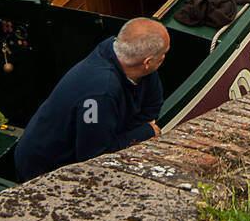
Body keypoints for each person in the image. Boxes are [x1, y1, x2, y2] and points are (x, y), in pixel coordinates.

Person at [13, 17, 169, 181]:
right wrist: (145, 131)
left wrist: (125, 133)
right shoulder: (98, 97)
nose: (164, 57)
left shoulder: (136, 66)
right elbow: (93, 155)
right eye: (164, 54)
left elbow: (153, 105)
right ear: (148, 62)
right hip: (44, 167)